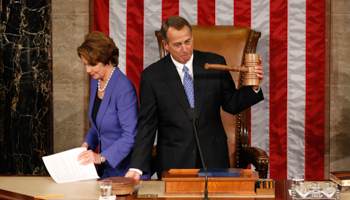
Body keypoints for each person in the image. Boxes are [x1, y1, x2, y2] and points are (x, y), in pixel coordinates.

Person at [125, 16, 264, 181]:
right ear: (166, 45)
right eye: (177, 44)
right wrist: (136, 167)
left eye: (188, 41)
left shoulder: (215, 63)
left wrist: (254, 88)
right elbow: (147, 126)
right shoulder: (152, 77)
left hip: (214, 158)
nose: (185, 49)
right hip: (174, 162)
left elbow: (231, 104)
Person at [76, 31, 150, 179]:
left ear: (107, 61)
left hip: (126, 170)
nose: (87, 70)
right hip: (106, 169)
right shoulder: (95, 80)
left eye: (92, 65)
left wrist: (100, 158)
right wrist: (84, 146)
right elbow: (98, 126)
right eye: (85, 64)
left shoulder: (124, 87)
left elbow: (131, 135)